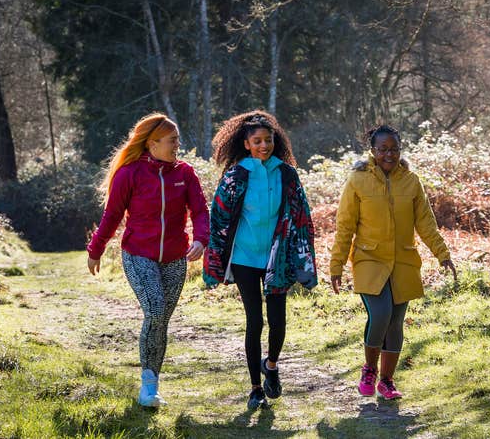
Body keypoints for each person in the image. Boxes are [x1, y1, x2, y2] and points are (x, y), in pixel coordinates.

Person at [87, 113, 209, 408]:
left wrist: (201, 239)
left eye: (178, 139)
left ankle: (152, 384)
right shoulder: (130, 173)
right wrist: (96, 248)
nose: (177, 145)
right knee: (155, 310)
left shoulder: (185, 173)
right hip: (138, 254)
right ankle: (147, 387)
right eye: (172, 140)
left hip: (175, 257)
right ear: (152, 143)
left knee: (161, 320)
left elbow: (201, 211)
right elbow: (112, 215)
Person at [329, 124, 457, 400]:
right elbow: (345, 227)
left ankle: (387, 380)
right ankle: (369, 369)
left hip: (403, 261)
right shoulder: (358, 180)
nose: (389, 154)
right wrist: (336, 266)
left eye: (394, 149)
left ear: (400, 150)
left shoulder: (411, 180)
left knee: (396, 321)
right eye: (383, 149)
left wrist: (442, 254)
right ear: (373, 151)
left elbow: (426, 223)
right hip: (369, 259)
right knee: (381, 314)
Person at [203, 110, 317, 410]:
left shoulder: (287, 174)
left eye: (268, 140)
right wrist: (214, 262)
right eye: (257, 141)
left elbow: (302, 217)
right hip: (243, 258)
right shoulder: (236, 175)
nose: (264, 145)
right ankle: (255, 388)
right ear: (246, 144)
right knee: (255, 320)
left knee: (278, 321)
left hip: (276, 258)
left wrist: (304, 260)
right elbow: (219, 219)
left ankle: (273, 365)